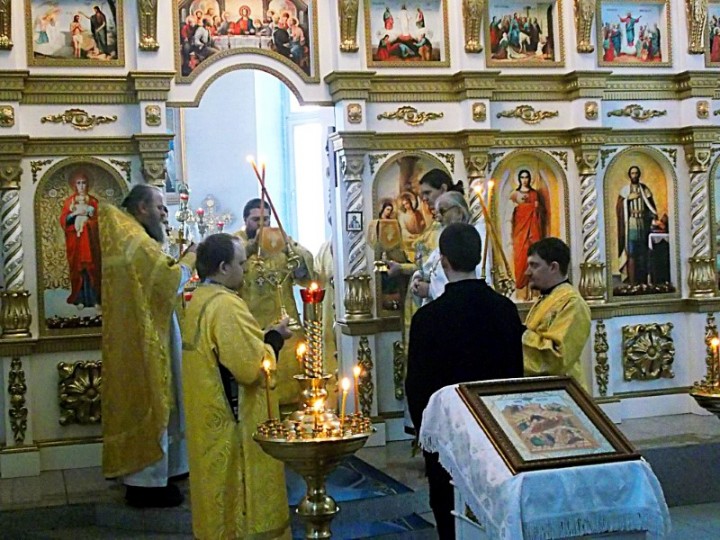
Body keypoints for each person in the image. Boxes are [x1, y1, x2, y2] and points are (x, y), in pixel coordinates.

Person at [406, 222, 524, 540]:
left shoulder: (428, 319)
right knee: (497, 512)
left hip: (448, 437)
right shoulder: (505, 310)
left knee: (451, 515)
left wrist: (426, 438)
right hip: (498, 435)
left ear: (444, 261)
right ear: (478, 257)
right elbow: (517, 377)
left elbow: (417, 388)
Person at [181, 233, 292, 539]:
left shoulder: (199, 299)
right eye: (241, 264)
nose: (245, 269)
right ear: (223, 267)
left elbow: (229, 351)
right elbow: (250, 368)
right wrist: (275, 339)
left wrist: (263, 335)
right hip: (234, 429)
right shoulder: (226, 306)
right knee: (240, 508)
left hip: (208, 423)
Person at [99, 184, 197, 508]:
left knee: (156, 400)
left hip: (143, 332)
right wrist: (192, 257)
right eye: (159, 207)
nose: (165, 214)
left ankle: (163, 473)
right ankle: (148, 484)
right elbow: (168, 280)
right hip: (146, 338)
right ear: (142, 208)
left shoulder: (127, 234)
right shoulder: (135, 239)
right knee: (153, 400)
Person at [234, 198, 315, 407]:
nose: (262, 225)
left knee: (293, 384)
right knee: (261, 386)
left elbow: (305, 273)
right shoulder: (236, 244)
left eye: (266, 220)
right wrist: (252, 247)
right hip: (254, 329)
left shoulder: (279, 243)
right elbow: (228, 270)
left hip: (287, 327)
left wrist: (288, 246)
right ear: (245, 220)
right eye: (256, 220)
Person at [522, 237, 591, 392]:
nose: (527, 272)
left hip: (564, 392)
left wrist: (520, 335)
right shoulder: (547, 298)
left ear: (553, 267)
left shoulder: (572, 303)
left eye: (534, 265)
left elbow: (558, 357)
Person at [411, 191, 481, 306]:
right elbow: (427, 268)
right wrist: (417, 278)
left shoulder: (470, 241)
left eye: (442, 211)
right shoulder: (445, 241)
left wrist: (430, 290)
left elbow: (467, 283)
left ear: (458, 212)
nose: (438, 218)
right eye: (437, 213)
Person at [60, 170, 101, 310]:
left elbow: (99, 221)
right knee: (78, 269)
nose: (81, 186)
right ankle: (79, 299)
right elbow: (64, 220)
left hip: (90, 241)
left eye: (84, 183)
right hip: (76, 241)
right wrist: (75, 215)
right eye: (79, 183)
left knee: (92, 268)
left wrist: (88, 223)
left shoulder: (93, 202)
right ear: (74, 185)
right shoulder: (70, 202)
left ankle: (94, 299)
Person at [616, 165, 658, 286]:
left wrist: (653, 217)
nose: (634, 175)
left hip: (643, 223)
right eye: (632, 173)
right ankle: (632, 281)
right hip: (631, 223)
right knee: (632, 251)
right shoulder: (625, 190)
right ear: (629, 175)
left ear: (639, 174)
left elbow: (651, 206)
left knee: (643, 251)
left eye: (636, 173)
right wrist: (628, 199)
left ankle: (642, 280)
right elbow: (619, 207)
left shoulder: (644, 189)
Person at [509, 169, 547, 297]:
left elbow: (541, 213)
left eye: (526, 177)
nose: (524, 180)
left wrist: (536, 208)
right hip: (520, 232)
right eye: (522, 177)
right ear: (519, 179)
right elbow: (510, 214)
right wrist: (524, 207)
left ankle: (533, 291)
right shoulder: (514, 194)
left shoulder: (534, 194)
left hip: (532, 230)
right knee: (521, 258)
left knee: (533, 256)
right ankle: (521, 291)